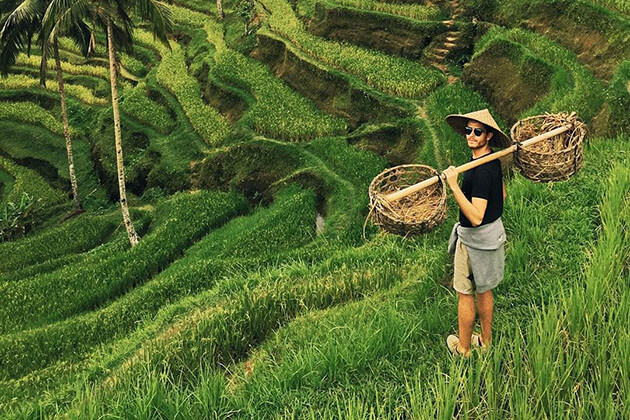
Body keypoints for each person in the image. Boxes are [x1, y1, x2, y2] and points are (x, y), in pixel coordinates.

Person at [442, 109, 510, 357]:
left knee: (464, 293)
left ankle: (464, 348)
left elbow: (476, 215)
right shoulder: (490, 162)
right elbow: (501, 195)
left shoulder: (480, 170)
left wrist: (453, 185)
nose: (471, 135)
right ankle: (486, 342)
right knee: (485, 289)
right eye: (468, 130)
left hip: (474, 241)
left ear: (488, 136)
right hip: (493, 237)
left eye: (477, 131)